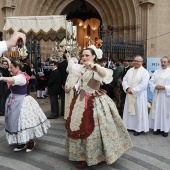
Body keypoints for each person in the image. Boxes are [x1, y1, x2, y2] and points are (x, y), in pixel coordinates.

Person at [65, 45, 132, 169]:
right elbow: (71, 65)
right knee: (78, 125)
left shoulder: (98, 68)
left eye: (87, 55)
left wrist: (95, 67)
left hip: (94, 100)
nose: (84, 57)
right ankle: (84, 155)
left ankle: (97, 155)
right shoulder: (81, 68)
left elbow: (103, 73)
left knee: (95, 127)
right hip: (81, 98)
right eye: (83, 55)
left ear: (94, 56)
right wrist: (67, 55)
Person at [0, 60, 50, 152]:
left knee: (24, 122)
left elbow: (13, 80)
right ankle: (22, 142)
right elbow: (12, 76)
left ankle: (31, 142)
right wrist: (7, 60)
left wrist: (2, 78)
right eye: (9, 67)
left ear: (17, 68)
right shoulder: (17, 74)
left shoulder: (21, 77)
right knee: (15, 122)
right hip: (14, 101)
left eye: (11, 68)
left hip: (22, 102)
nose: (9, 69)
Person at [122, 55, 150, 136]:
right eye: (135, 61)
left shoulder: (145, 72)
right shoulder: (130, 70)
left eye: (138, 61)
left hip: (139, 95)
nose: (136, 62)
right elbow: (124, 80)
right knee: (128, 110)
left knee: (138, 111)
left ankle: (139, 128)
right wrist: (127, 88)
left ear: (142, 62)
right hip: (129, 93)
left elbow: (143, 85)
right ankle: (129, 126)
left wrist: (133, 90)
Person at [149, 56, 170, 137]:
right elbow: (151, 82)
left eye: (165, 62)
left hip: (166, 96)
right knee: (157, 111)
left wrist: (165, 87)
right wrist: (155, 86)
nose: (163, 63)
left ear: (168, 63)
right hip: (157, 95)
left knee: (165, 112)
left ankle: (165, 129)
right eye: (162, 62)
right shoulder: (156, 72)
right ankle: (157, 128)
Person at [58, 51, 68, 116]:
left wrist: (61, 83)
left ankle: (63, 112)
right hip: (70, 82)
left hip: (63, 82)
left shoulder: (61, 64)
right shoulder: (73, 63)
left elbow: (60, 75)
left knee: (63, 98)